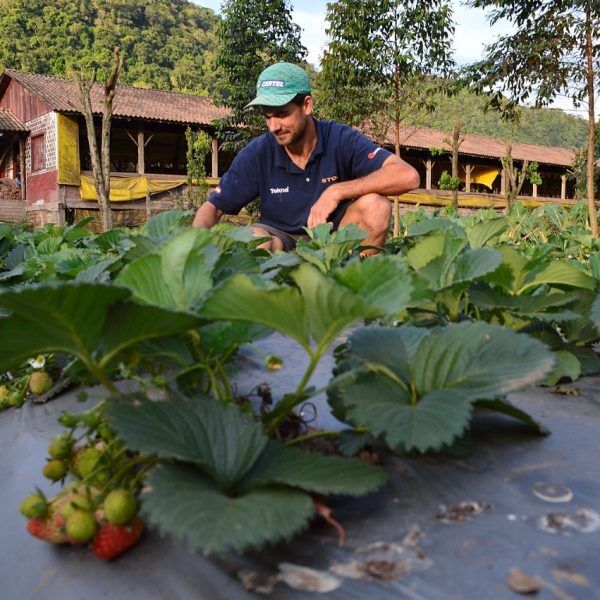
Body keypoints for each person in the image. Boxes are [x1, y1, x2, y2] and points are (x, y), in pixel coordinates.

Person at [192, 62, 420, 252]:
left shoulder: (339, 139)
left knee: (376, 206)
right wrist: (192, 249)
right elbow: (213, 207)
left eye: (281, 114)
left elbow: (408, 176)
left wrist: (337, 191)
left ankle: (358, 290)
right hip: (280, 238)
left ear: (307, 105)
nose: (273, 126)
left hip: (333, 241)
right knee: (252, 238)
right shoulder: (258, 152)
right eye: (267, 117)